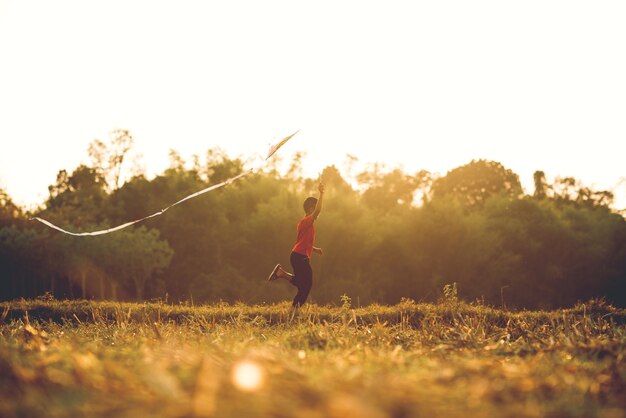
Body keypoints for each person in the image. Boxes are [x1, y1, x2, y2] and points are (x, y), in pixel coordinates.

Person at [267, 182, 325, 307]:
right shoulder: (307, 221)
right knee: (307, 284)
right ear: (311, 209)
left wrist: (314, 249)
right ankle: (295, 307)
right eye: (315, 209)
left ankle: (281, 273)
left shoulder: (304, 223)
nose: (318, 213)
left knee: (302, 283)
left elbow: (302, 241)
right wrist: (321, 193)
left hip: (297, 255)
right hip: (300, 257)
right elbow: (318, 209)